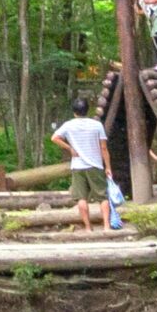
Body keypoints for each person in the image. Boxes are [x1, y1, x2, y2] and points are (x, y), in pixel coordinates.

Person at [52, 97, 111, 233]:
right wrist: (108, 167)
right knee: (102, 197)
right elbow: (103, 148)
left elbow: (54, 138)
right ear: (87, 110)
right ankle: (106, 226)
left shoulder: (68, 125)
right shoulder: (97, 125)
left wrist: (70, 148)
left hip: (78, 166)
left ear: (74, 112)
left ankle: (88, 228)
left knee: (81, 198)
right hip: (95, 165)